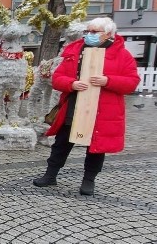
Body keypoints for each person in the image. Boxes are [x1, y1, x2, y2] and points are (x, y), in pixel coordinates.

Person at [32, 16, 140, 196]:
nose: (89, 35)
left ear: (108, 34)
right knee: (61, 143)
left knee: (96, 148)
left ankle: (88, 180)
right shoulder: (75, 50)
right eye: (87, 31)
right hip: (74, 107)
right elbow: (58, 77)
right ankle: (50, 175)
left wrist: (108, 81)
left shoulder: (121, 55)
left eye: (94, 32)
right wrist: (71, 84)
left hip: (103, 111)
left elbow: (131, 82)